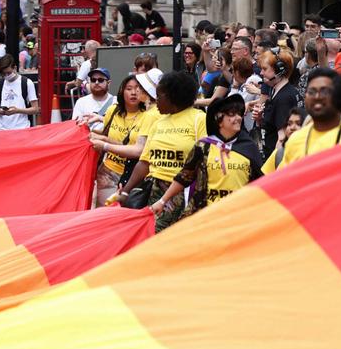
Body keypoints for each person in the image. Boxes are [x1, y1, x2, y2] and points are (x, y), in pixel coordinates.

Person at [117, 71, 205, 231]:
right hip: (153, 190)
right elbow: (145, 162)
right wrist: (125, 191)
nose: (156, 101)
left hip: (182, 192)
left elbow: (204, 160)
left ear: (173, 97)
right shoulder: (158, 123)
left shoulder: (199, 119)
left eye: (159, 96)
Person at [149, 93, 262, 217]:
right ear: (219, 120)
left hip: (239, 217)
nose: (238, 118)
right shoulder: (203, 147)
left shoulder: (249, 147)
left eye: (239, 114)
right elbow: (184, 177)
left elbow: (261, 183)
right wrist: (162, 201)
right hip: (206, 216)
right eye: (232, 114)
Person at [271, 67, 341, 172]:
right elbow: (283, 179)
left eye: (325, 91)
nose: (317, 97)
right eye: (311, 92)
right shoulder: (295, 140)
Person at [90, 75, 148, 206]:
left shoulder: (148, 116)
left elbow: (138, 150)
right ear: (122, 91)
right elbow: (105, 132)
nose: (134, 92)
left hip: (134, 176)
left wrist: (104, 141)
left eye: (138, 89)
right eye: (129, 88)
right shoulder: (113, 110)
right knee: (104, 213)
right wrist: (84, 130)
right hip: (108, 172)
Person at [254, 50, 301, 153]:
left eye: (265, 69)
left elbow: (282, 137)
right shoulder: (276, 90)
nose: (261, 73)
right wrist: (260, 118)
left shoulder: (284, 98)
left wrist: (275, 164)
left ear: (279, 71)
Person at [0, 54, 38, 130]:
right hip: (2, 129)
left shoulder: (27, 83)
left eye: (8, 72)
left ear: (15, 68)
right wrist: (2, 112)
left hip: (22, 128)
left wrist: (17, 110)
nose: (6, 75)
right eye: (3, 74)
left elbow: (35, 109)